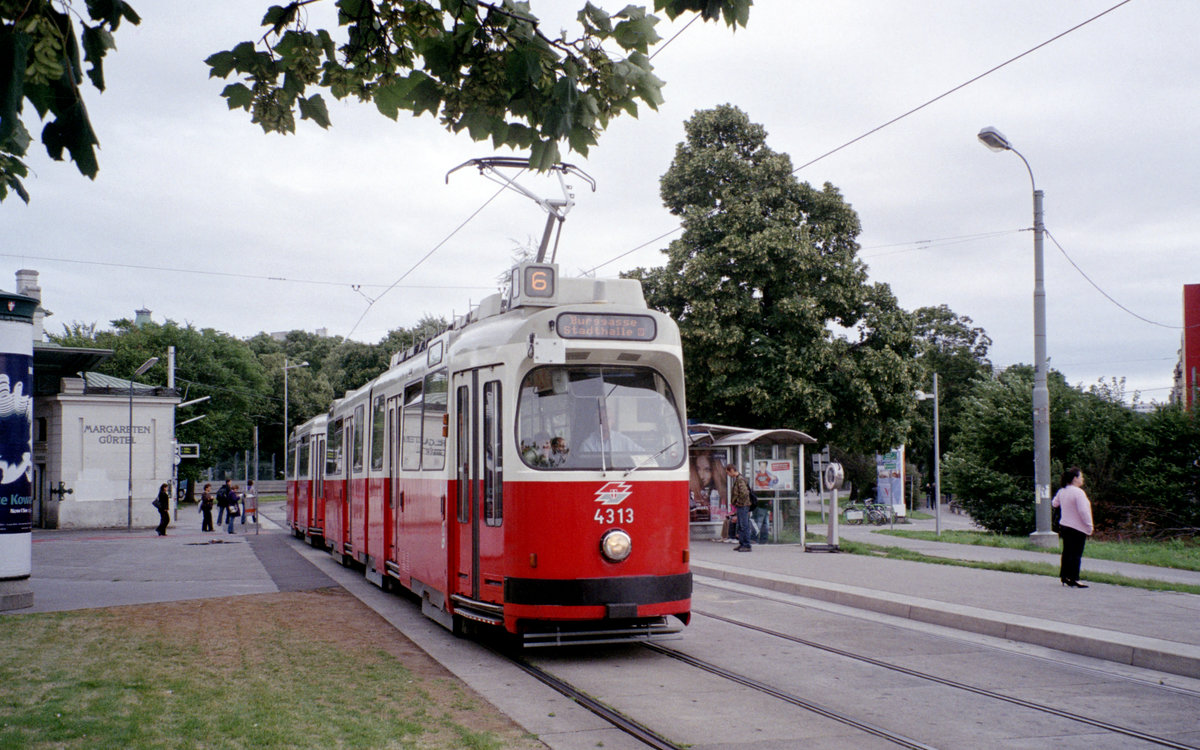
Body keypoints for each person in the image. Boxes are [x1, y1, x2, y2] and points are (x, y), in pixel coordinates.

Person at [1052, 467, 1094, 588]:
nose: (1083, 479)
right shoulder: (1079, 492)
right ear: (1075, 478)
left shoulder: (1062, 491)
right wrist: (1089, 525)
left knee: (1067, 552)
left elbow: (1054, 503)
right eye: (1081, 477)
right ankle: (1074, 578)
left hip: (1065, 525)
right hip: (1078, 527)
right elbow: (1083, 511)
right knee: (1076, 553)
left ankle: (1065, 576)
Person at [726, 464, 753, 551]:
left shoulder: (740, 480)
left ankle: (746, 545)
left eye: (728, 472)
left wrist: (738, 502)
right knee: (740, 525)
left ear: (732, 470)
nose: (728, 475)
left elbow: (744, 493)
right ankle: (742, 543)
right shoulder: (738, 479)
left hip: (743, 505)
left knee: (744, 525)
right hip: (742, 505)